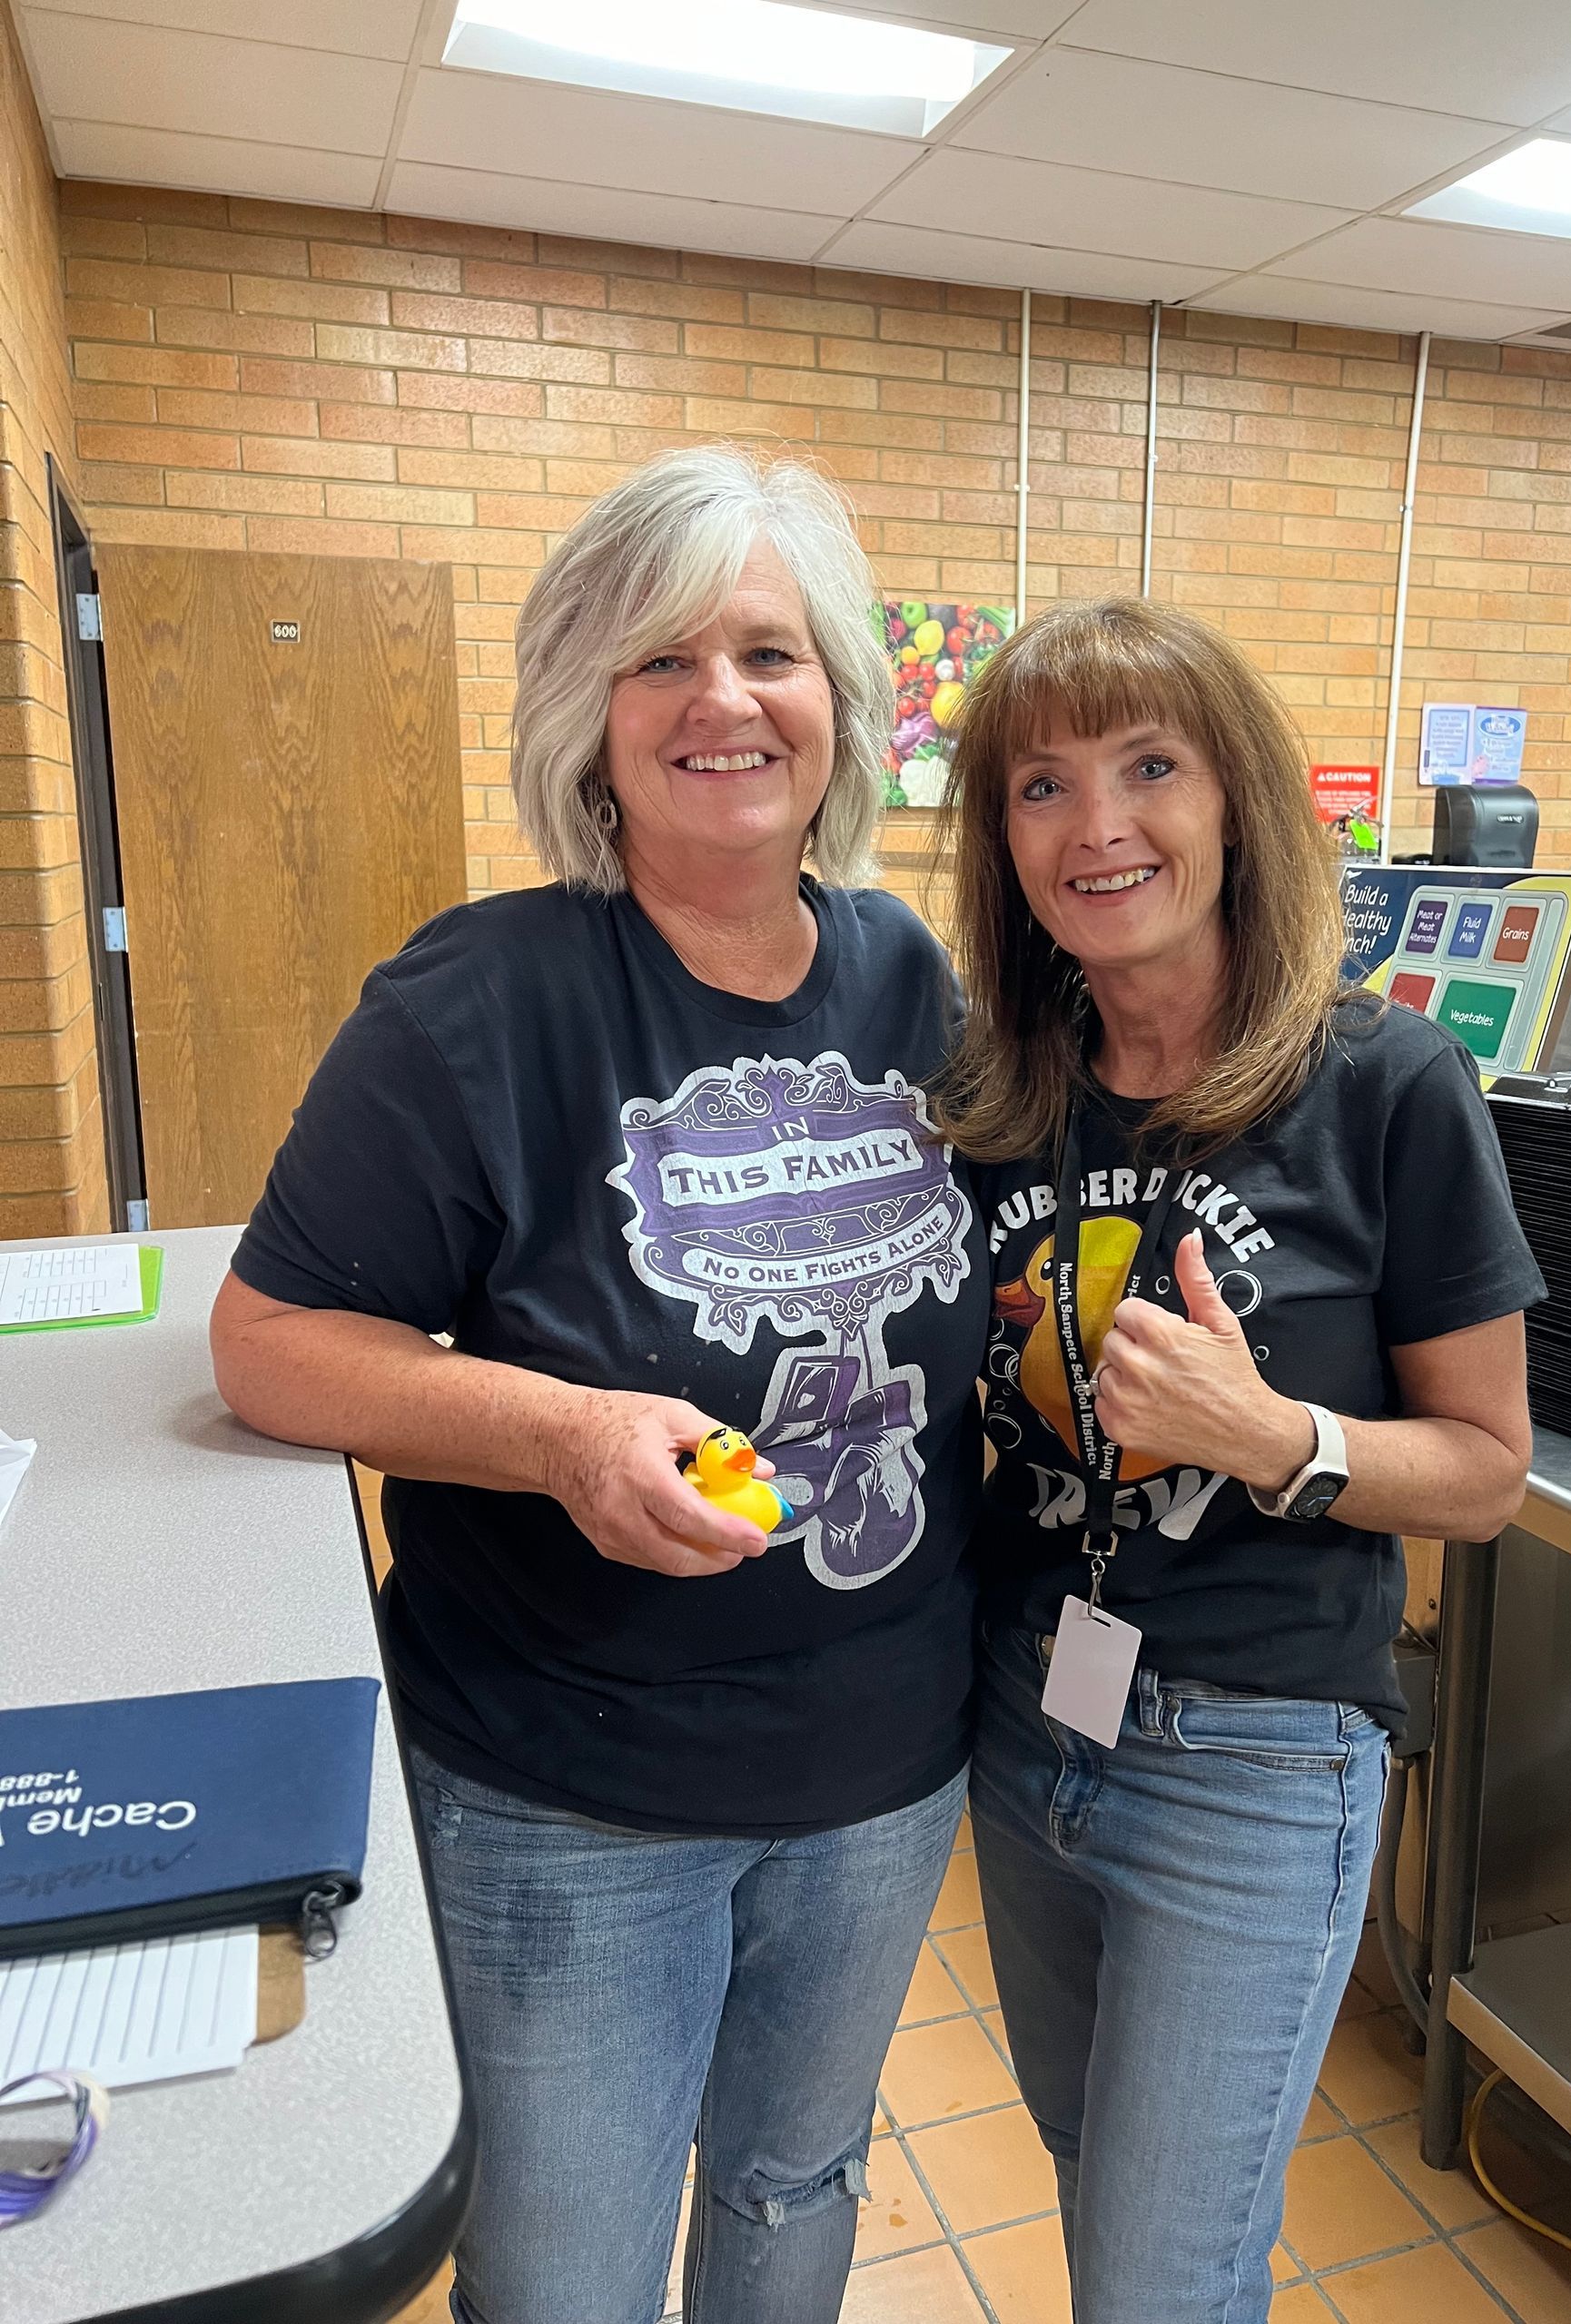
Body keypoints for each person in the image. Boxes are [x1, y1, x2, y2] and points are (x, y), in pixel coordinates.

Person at [210, 447, 990, 2324]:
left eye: (770, 654)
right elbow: (271, 1342)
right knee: (564, 2267)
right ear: (590, 709)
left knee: (795, 2188)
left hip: (884, 1771)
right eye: (662, 660)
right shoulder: (476, 1002)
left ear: (843, 709)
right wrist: (559, 1428)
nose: (722, 699)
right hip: (571, 1791)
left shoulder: (910, 979)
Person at [934, 597, 1541, 2324]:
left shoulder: (1388, 1084)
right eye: (1040, 786)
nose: (1097, 825)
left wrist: (1276, 1440)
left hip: (1256, 1760)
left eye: (1148, 767)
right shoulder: (1001, 1098)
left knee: (1163, 2279)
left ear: (1237, 804)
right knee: (1079, 2168)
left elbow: (1489, 1473)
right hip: (1028, 1713)